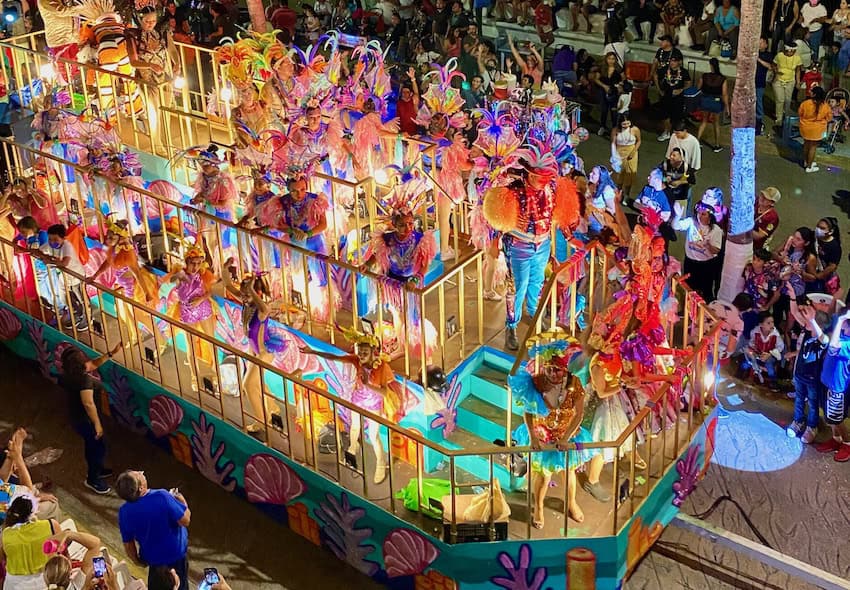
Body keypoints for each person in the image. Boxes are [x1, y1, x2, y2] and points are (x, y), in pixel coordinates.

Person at [510, 336, 606, 528]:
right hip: (542, 437)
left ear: (565, 370)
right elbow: (528, 412)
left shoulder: (574, 384)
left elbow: (579, 414)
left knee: (569, 471)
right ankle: (538, 506)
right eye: (549, 369)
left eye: (558, 370)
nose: (553, 374)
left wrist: (565, 438)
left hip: (567, 435)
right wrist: (533, 438)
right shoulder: (536, 383)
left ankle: (571, 503)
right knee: (544, 475)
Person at [300, 330, 405, 484]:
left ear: (372, 352)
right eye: (360, 351)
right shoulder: (356, 360)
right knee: (355, 428)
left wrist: (368, 384)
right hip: (358, 400)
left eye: (365, 352)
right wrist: (312, 351)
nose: (361, 355)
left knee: (374, 436)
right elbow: (335, 357)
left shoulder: (382, 367)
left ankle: (381, 464)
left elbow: (383, 392)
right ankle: (352, 450)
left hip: (373, 404)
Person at [59, 345, 121, 494]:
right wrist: (97, 423)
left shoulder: (68, 374)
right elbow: (88, 403)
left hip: (77, 418)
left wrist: (110, 353)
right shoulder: (83, 380)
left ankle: (97, 469)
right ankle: (93, 479)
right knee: (97, 448)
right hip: (85, 421)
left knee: (92, 445)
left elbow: (92, 365)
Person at [117, 470, 191, 590]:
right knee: (179, 585)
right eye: (138, 475)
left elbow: (128, 544)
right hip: (176, 556)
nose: (141, 472)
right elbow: (185, 520)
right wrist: (182, 502)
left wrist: (137, 561)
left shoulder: (124, 512)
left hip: (153, 560)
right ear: (140, 488)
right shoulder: (162, 496)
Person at [785, 298, 829, 443]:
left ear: (817, 324)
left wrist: (813, 320)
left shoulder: (821, 340)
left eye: (810, 321)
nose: (806, 321)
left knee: (812, 403)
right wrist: (792, 295)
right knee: (799, 400)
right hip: (800, 375)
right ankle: (798, 421)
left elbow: (825, 340)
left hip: (812, 380)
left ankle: (812, 426)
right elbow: (794, 312)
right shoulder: (807, 332)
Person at [0, 497, 64, 590]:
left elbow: (2, 559)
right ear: (32, 512)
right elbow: (62, 548)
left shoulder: (5, 535)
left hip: (15, 585)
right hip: (47, 581)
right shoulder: (51, 525)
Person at [672, 200, 723, 301]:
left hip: (706, 265)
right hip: (690, 263)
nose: (699, 216)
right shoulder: (691, 222)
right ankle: (687, 312)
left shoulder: (716, 230)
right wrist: (677, 216)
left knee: (706, 290)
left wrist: (707, 244)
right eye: (698, 213)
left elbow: (716, 251)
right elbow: (676, 226)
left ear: (710, 217)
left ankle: (706, 312)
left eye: (703, 214)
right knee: (689, 288)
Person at [817, 308, 850, 462]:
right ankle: (836, 439)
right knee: (829, 417)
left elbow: (834, 346)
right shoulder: (842, 337)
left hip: (838, 388)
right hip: (827, 383)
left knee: (837, 419)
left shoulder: (847, 344)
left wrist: (842, 320)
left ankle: (847, 443)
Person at [741, 312, 784, 388]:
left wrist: (770, 354)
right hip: (757, 355)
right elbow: (751, 343)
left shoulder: (775, 334)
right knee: (745, 363)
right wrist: (753, 350)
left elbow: (780, 347)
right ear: (761, 324)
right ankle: (742, 375)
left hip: (769, 356)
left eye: (772, 322)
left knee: (769, 366)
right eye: (768, 323)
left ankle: (773, 381)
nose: (772, 325)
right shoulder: (755, 332)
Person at [696, 57, 730, 151]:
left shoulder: (705, 76)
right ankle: (717, 145)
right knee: (716, 123)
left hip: (705, 101)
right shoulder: (722, 79)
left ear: (711, 66)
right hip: (716, 102)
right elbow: (725, 94)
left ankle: (697, 141)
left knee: (704, 121)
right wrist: (727, 107)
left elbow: (698, 88)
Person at [657, 54, 691, 141]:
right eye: (671, 61)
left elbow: (688, 83)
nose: (672, 63)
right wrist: (659, 89)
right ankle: (666, 131)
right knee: (665, 115)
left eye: (674, 61)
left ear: (679, 62)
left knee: (677, 116)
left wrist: (681, 89)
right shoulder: (664, 70)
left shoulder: (684, 72)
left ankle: (676, 133)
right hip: (666, 96)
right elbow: (655, 76)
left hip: (678, 98)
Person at [798, 86, 831, 172]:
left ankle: (806, 162)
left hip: (805, 127)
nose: (810, 91)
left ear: (814, 94)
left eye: (811, 91)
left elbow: (800, 113)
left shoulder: (805, 103)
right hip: (817, 129)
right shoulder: (825, 106)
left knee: (806, 144)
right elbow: (829, 118)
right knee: (813, 147)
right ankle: (809, 167)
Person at [773, 44, 803, 135]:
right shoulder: (779, 56)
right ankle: (779, 119)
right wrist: (776, 71)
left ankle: (786, 118)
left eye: (791, 51)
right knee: (780, 100)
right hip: (778, 80)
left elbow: (798, 71)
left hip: (790, 81)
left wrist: (798, 82)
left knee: (787, 100)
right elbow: (773, 65)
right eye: (788, 51)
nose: (789, 53)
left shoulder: (797, 58)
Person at [611, 113, 641, 199]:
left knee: (630, 174)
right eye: (624, 124)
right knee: (619, 174)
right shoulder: (615, 130)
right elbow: (613, 143)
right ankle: (618, 194)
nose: (626, 125)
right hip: (619, 152)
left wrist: (634, 151)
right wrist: (614, 156)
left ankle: (626, 195)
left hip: (632, 152)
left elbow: (639, 141)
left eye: (628, 123)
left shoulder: (635, 130)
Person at [593, 52, 624, 135]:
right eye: (609, 59)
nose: (611, 61)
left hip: (614, 92)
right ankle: (602, 126)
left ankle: (614, 128)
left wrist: (620, 85)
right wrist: (604, 86)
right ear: (606, 59)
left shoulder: (618, 69)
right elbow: (596, 79)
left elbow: (623, 79)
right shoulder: (602, 68)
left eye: (613, 59)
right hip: (603, 91)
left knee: (614, 111)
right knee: (604, 110)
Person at [810, 217, 842, 294]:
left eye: (822, 228)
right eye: (817, 226)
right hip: (810, 272)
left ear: (830, 231)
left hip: (822, 278)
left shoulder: (834, 246)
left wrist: (818, 276)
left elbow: (832, 266)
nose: (818, 230)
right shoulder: (813, 237)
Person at [756, 37, 774, 134]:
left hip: (759, 82)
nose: (759, 44)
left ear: (766, 45)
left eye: (761, 43)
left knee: (758, 102)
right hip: (750, 82)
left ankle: (759, 121)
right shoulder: (753, 53)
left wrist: (758, 59)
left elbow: (770, 66)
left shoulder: (767, 55)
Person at [753, 186, 781, 250]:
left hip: (756, 247)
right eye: (762, 195)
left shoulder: (772, 217)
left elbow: (759, 236)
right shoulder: (756, 201)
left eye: (766, 198)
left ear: (772, 203)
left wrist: (744, 228)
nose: (762, 198)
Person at [396, 67, 420, 135]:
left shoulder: (413, 102)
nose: (405, 93)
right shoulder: (399, 103)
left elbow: (416, 93)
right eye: (403, 92)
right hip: (401, 133)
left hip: (413, 134)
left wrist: (413, 79)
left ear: (410, 94)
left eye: (407, 92)